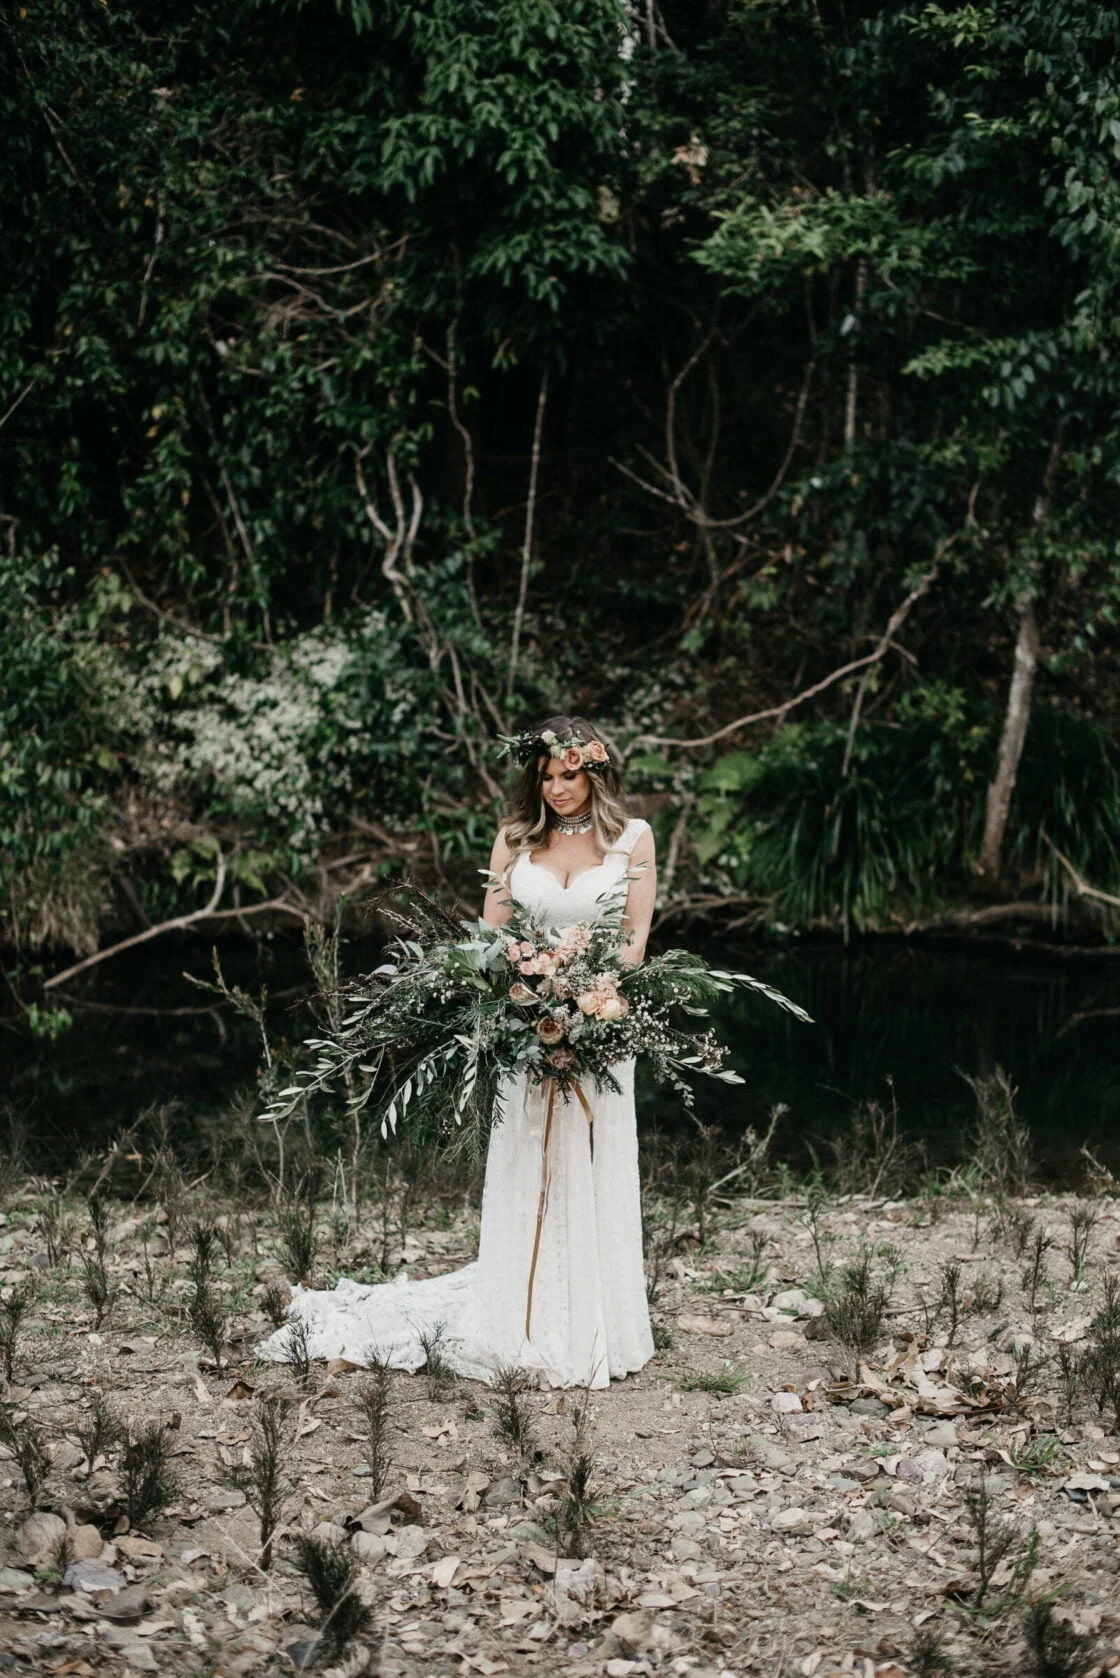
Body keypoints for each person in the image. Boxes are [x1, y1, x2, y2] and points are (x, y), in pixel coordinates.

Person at [262, 715, 656, 1389]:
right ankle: (519, 1316)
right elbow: (488, 938)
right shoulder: (514, 838)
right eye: (546, 777)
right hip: (522, 1023)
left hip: (599, 1023)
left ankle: (598, 1324)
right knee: (527, 1159)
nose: (557, 789)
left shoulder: (633, 839)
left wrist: (588, 1002)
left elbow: (634, 938)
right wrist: (522, 998)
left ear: (596, 771)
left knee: (593, 1160)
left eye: (569, 776)